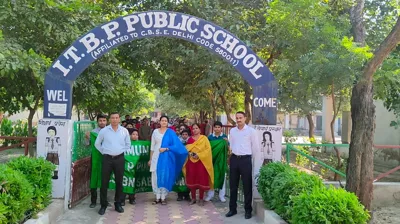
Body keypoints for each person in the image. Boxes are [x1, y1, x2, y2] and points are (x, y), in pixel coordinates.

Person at [225, 112, 262, 220]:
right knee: (233, 185)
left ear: (245, 118)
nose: (238, 120)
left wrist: (253, 162)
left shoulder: (251, 131)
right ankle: (232, 209)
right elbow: (231, 145)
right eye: (237, 118)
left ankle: (248, 210)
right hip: (234, 159)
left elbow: (255, 148)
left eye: (240, 118)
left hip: (246, 160)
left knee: (247, 186)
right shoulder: (232, 131)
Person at [95, 112, 130, 215]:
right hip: (107, 159)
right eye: (112, 118)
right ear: (110, 120)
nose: (114, 120)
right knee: (104, 182)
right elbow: (97, 143)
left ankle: (118, 203)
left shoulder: (124, 131)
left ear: (119, 119)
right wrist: (104, 152)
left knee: (119, 182)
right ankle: (103, 205)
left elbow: (128, 144)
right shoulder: (104, 131)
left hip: (119, 159)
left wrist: (121, 151)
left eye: (116, 118)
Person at [149, 116, 187, 205]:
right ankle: (157, 197)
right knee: (155, 176)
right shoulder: (155, 132)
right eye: (162, 120)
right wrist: (150, 159)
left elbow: (177, 146)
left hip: (166, 157)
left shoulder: (171, 133)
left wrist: (166, 148)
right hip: (156, 157)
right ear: (160, 122)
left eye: (165, 121)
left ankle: (163, 197)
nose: (164, 122)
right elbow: (152, 146)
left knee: (164, 175)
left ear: (168, 122)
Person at [184, 124, 214, 206]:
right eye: (193, 129)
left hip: (202, 162)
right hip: (191, 162)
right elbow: (186, 149)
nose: (195, 130)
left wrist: (199, 155)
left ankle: (201, 199)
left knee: (201, 179)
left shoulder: (204, 139)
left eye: (196, 128)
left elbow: (208, 150)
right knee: (192, 179)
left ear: (200, 130)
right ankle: (193, 198)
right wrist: (190, 153)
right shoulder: (190, 139)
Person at [85, 114, 107, 208]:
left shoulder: (110, 132)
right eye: (100, 120)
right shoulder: (93, 132)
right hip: (95, 158)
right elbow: (86, 145)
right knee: (93, 178)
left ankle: (104, 201)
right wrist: (86, 138)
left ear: (106, 121)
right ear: (97, 122)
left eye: (104, 120)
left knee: (105, 179)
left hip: (107, 158)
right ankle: (93, 201)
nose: (102, 122)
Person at [205, 121, 229, 203]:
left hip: (221, 161)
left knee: (222, 176)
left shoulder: (224, 137)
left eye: (219, 127)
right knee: (211, 177)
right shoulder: (210, 137)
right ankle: (210, 195)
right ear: (213, 128)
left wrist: (226, 142)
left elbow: (228, 148)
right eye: (216, 127)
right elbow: (207, 149)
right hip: (212, 160)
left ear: (221, 128)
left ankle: (221, 196)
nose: (217, 129)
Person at [121, 128, 139, 206]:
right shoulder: (124, 144)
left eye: (136, 135)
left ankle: (132, 198)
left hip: (135, 167)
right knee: (124, 182)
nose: (135, 136)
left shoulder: (140, 145)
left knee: (133, 182)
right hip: (125, 166)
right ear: (129, 135)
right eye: (133, 134)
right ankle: (122, 199)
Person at [176, 129, 191, 202]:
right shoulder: (178, 142)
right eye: (183, 134)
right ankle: (180, 195)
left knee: (188, 178)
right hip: (180, 163)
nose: (184, 136)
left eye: (186, 134)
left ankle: (187, 195)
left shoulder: (191, 142)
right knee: (180, 178)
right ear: (181, 135)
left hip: (188, 162)